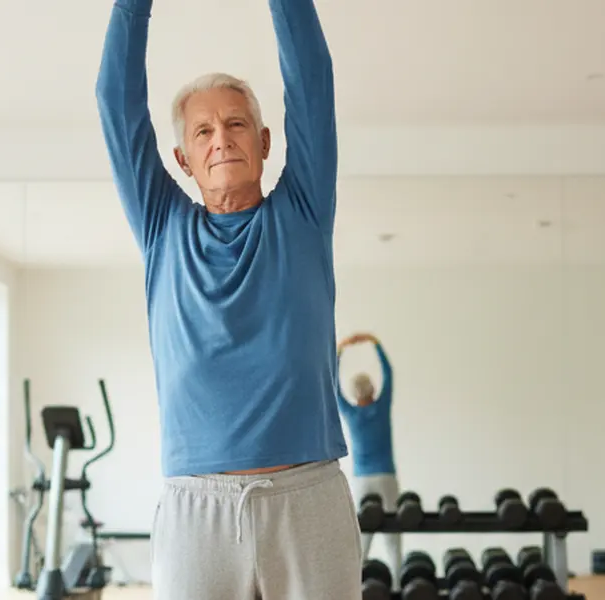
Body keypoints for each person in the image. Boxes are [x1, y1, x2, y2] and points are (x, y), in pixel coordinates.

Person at [95, 0, 358, 598]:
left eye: (237, 124)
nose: (222, 140)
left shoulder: (303, 213)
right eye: (204, 131)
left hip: (307, 496)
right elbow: (116, 103)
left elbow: (311, 80)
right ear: (183, 160)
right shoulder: (162, 227)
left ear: (265, 142)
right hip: (197, 507)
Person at [336, 332, 401, 584]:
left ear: (355, 393)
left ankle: (357, 587)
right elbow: (390, 374)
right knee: (393, 537)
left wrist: (341, 350)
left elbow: (333, 385)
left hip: (362, 481)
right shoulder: (381, 407)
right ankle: (397, 587)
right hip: (386, 477)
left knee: (361, 539)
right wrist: (375, 343)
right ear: (373, 390)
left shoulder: (350, 414)